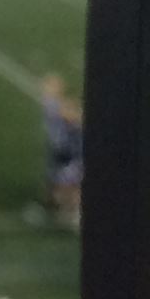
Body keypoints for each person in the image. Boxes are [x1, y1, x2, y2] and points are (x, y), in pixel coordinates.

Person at [39, 75, 85, 223]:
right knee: (53, 185)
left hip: (72, 156)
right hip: (61, 153)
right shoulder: (55, 112)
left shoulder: (74, 122)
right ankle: (55, 205)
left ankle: (74, 212)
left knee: (68, 186)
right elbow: (50, 101)